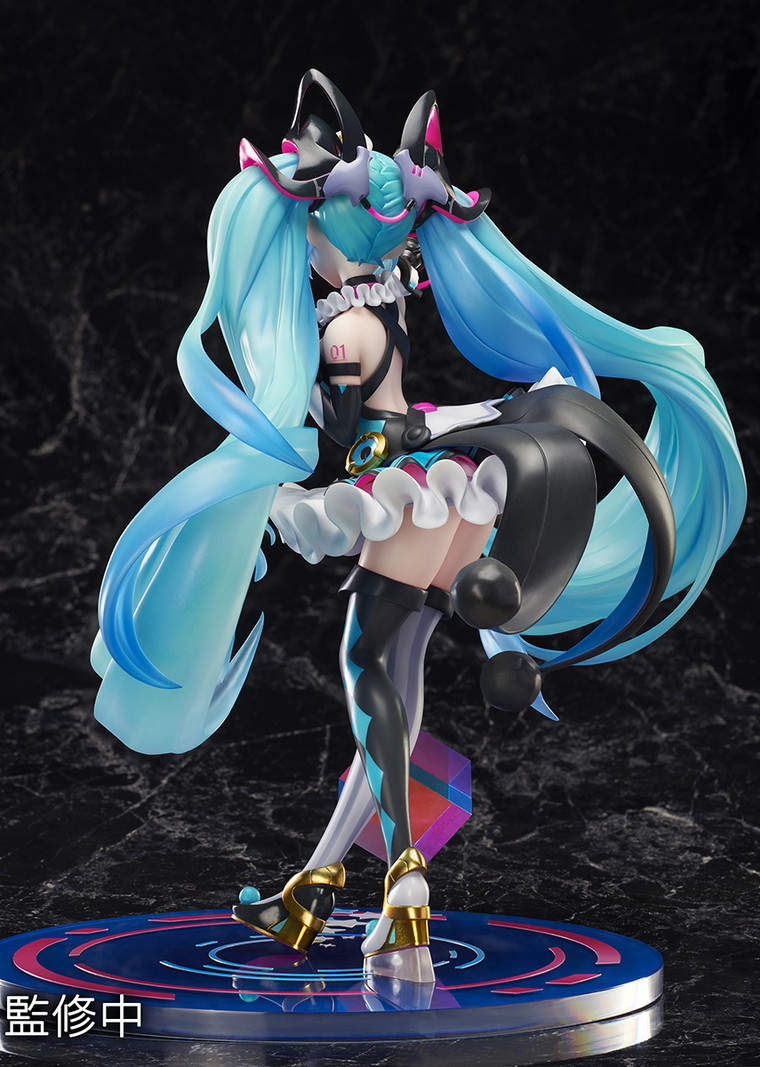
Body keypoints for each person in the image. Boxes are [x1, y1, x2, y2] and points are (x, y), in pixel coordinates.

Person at [91, 71, 745, 987]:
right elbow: (408, 412)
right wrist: (492, 410)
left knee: (368, 672)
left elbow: (348, 434)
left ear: (321, 229)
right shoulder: (390, 306)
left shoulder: (340, 334)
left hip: (400, 493)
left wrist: (276, 454)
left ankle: (405, 887)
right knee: (397, 684)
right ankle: (316, 883)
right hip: (454, 489)